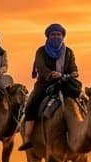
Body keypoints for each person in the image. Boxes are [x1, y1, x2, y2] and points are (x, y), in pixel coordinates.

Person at [18, 23, 77, 151]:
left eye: (58, 35)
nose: (56, 37)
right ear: (48, 37)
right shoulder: (41, 51)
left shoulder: (68, 52)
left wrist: (73, 72)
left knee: (81, 100)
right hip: (45, 83)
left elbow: (73, 66)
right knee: (33, 102)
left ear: (63, 36)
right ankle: (28, 136)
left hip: (65, 81)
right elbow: (40, 67)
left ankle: (87, 135)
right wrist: (51, 74)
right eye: (53, 35)